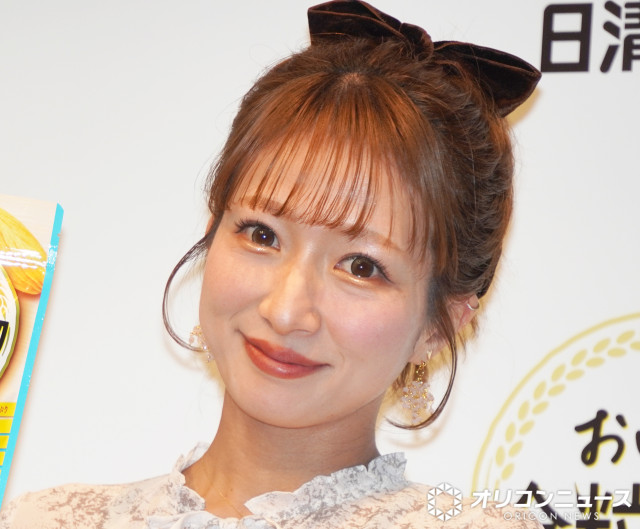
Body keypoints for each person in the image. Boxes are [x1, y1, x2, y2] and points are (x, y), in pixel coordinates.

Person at [0, 1, 541, 527]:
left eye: (360, 267)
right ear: (213, 230)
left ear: (439, 326)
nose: (285, 311)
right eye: (262, 235)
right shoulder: (40, 519)